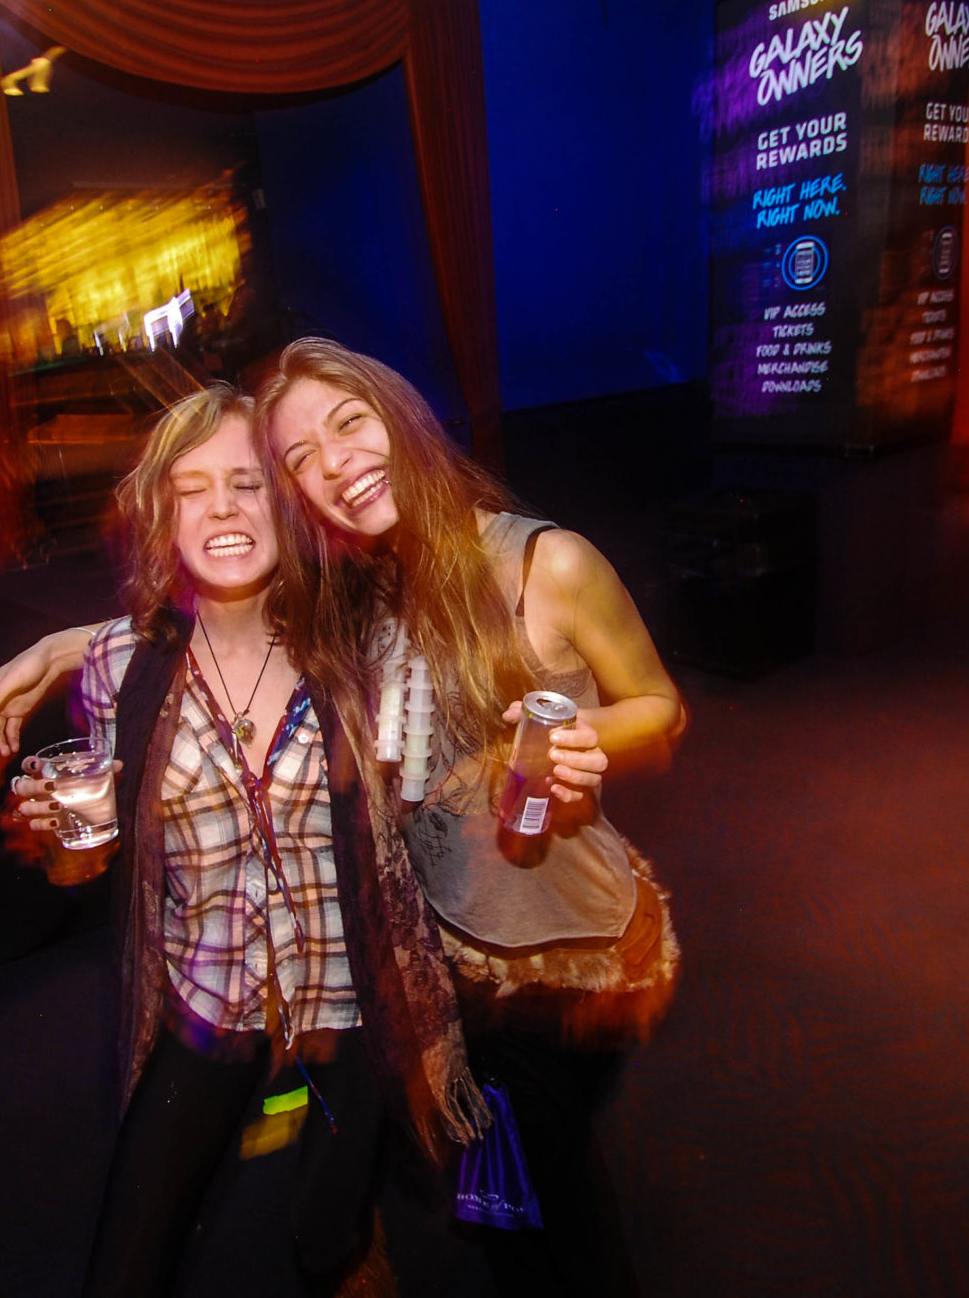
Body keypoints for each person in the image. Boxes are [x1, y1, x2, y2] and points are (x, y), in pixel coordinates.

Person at [7, 386, 485, 1296]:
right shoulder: (119, 665)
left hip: (346, 997)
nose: (222, 508)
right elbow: (99, 850)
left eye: (247, 483)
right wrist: (66, 843)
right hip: (209, 992)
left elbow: (423, 783)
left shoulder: (361, 638)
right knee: (126, 1259)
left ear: (287, 504)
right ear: (162, 516)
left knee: (325, 1235)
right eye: (191, 490)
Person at [256, 338, 684, 1298]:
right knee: (515, 1194)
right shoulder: (355, 591)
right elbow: (216, 615)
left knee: (552, 1208)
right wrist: (63, 647)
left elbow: (662, 708)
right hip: (449, 955)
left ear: (401, 417)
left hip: (564, 961)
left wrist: (584, 737)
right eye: (301, 459)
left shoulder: (545, 563)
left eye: (350, 422)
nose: (336, 464)